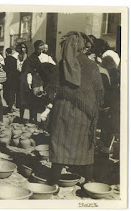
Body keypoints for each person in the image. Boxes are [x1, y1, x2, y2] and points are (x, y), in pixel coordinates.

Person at [47, 32, 104, 186]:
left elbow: (52, 89)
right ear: (82, 47)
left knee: (59, 144)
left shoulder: (61, 65)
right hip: (84, 113)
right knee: (85, 145)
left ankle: (52, 182)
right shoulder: (92, 66)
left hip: (62, 111)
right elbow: (98, 91)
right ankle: (89, 181)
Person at [19, 40, 44, 123]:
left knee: (35, 100)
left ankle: (33, 118)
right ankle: (27, 118)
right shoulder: (30, 58)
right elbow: (27, 71)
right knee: (28, 100)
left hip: (36, 81)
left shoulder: (37, 57)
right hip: (28, 80)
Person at [3, 48, 19, 113]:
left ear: (6, 53)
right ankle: (11, 105)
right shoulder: (15, 60)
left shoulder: (4, 60)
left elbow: (3, 69)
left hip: (7, 78)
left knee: (6, 92)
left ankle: (9, 105)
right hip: (14, 79)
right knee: (12, 93)